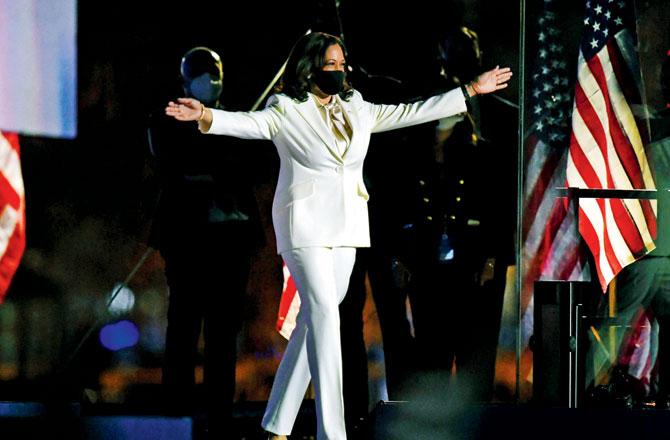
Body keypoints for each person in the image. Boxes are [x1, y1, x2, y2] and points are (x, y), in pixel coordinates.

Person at [165, 32, 512, 440]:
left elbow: (409, 112)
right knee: (327, 318)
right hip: (305, 229)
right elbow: (249, 123)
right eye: (331, 64)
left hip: (347, 229)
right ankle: (334, 433)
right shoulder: (287, 108)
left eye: (342, 63)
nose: (340, 70)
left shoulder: (356, 106)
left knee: (311, 325)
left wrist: (469, 90)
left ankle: (275, 425)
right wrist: (206, 115)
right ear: (310, 67)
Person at [148, 47, 264, 438]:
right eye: (202, 72)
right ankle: (174, 411)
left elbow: (252, 167)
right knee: (183, 325)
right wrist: (215, 165)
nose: (210, 78)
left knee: (223, 332)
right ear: (185, 78)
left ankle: (220, 415)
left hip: (231, 241)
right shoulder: (167, 119)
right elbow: (174, 168)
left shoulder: (237, 120)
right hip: (187, 241)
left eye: (215, 71)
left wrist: (218, 160)